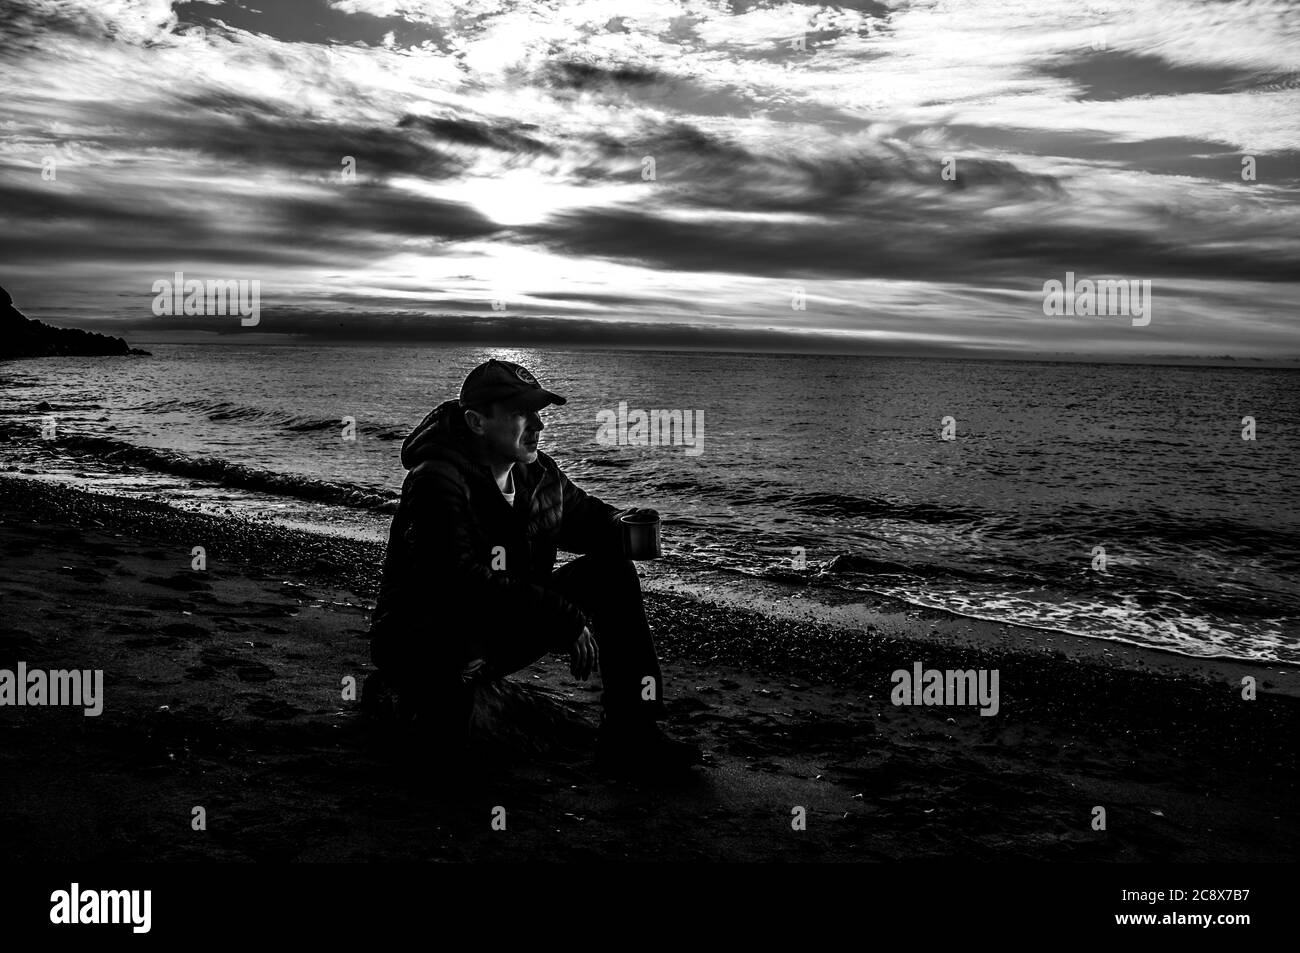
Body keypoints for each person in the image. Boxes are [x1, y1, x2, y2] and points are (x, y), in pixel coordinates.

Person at [370, 358, 702, 772]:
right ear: (476, 421)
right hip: (431, 643)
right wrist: (562, 617)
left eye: (538, 413)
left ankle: (632, 734)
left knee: (612, 572)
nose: (538, 427)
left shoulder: (538, 475)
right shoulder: (436, 480)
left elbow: (588, 519)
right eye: (520, 414)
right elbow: (456, 581)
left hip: (495, 632)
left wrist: (626, 523)